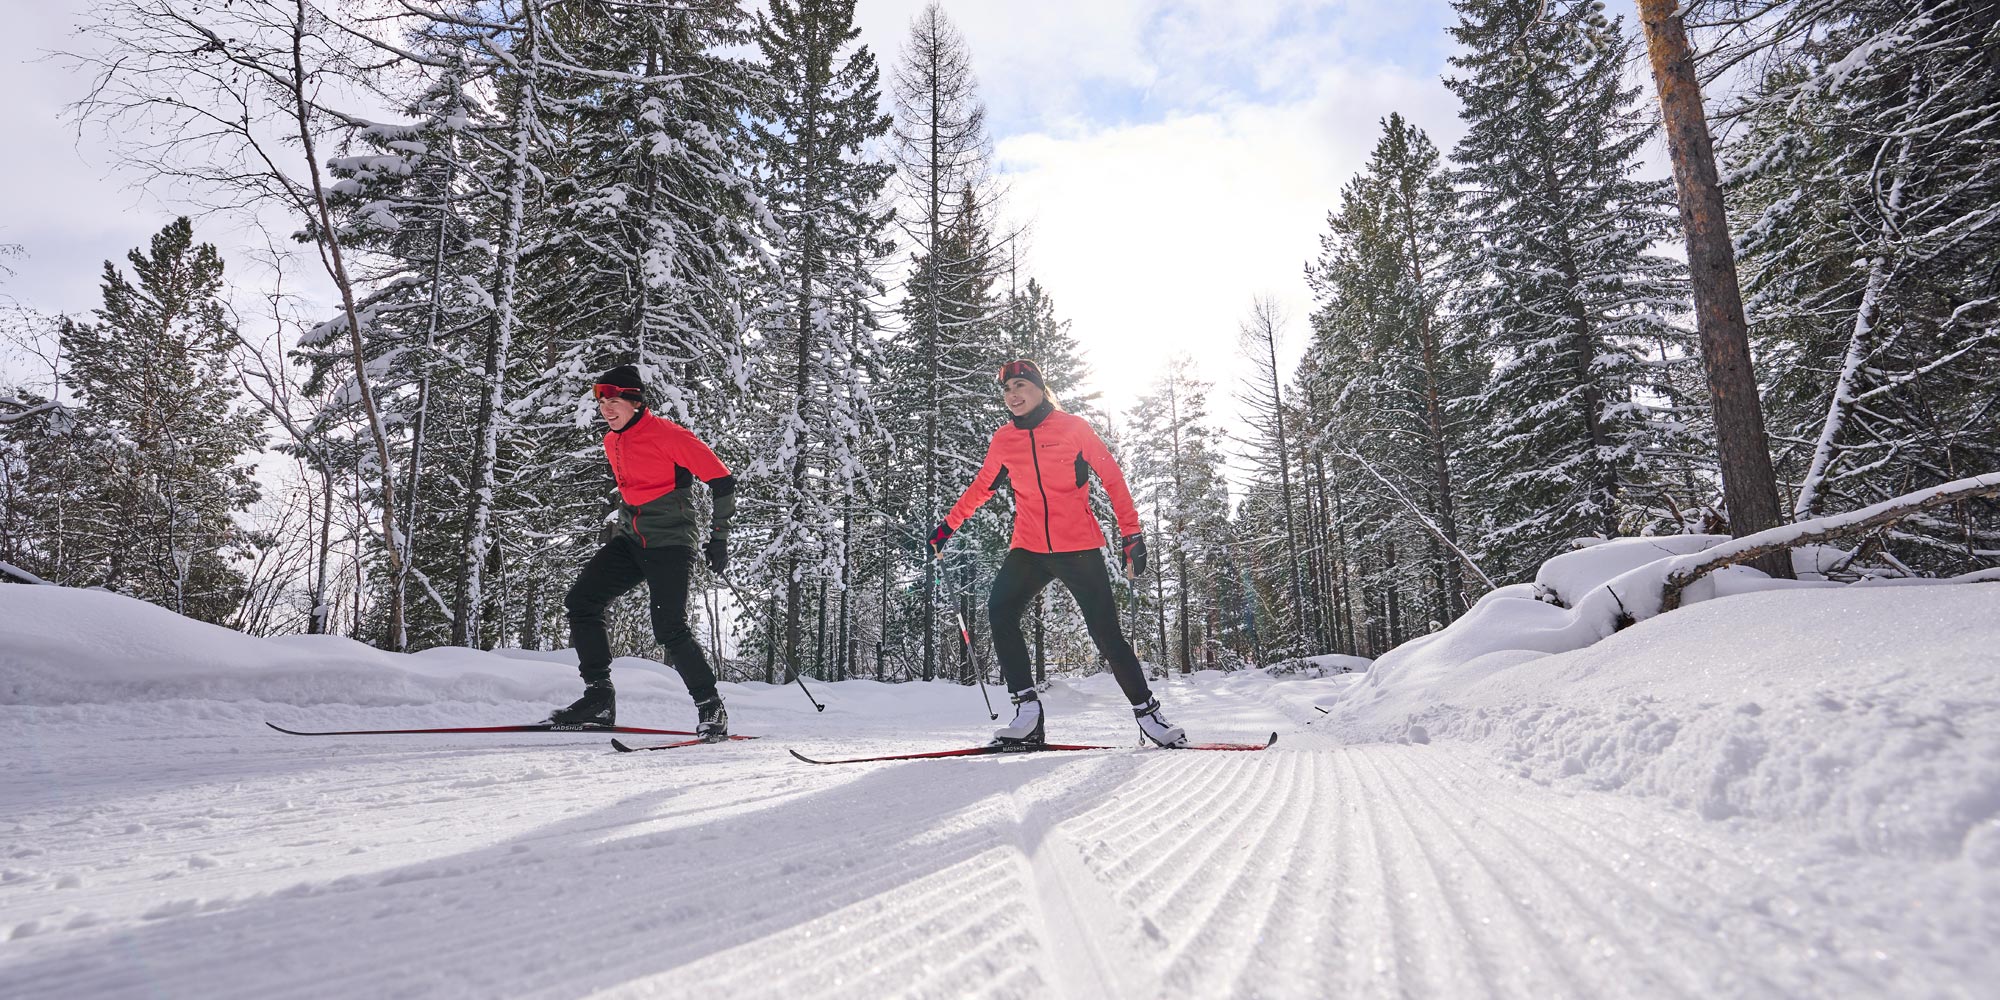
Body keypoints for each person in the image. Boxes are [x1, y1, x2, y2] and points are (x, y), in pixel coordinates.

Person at [928, 359, 1187, 748]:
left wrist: (1132, 533)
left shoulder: (1073, 429)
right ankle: (1028, 714)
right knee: (1000, 611)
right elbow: (982, 486)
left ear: (1039, 388)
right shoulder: (1004, 440)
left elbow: (1112, 477)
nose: (1012, 395)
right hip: (1029, 548)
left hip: (1078, 547)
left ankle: (1149, 715)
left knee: (1105, 633)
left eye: (1020, 386)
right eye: (1006, 390)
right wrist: (948, 526)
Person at [548, 364, 736, 740]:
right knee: (582, 602)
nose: (606, 409)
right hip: (631, 540)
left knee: (669, 628)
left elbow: (722, 479)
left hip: (669, 543)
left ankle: (711, 707)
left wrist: (719, 537)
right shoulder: (611, 440)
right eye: (602, 402)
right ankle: (599, 698)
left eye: (615, 401)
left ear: (635, 402)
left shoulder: (669, 435)